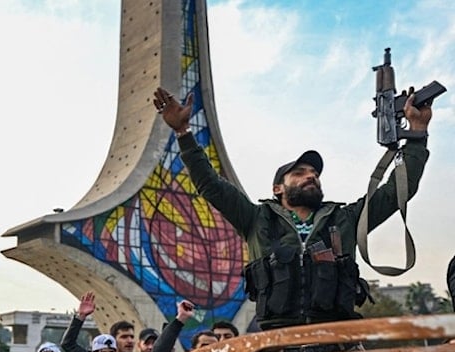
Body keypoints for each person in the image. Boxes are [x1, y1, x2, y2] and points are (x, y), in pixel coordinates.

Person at [153, 86, 433, 331]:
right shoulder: (255, 219)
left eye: (314, 172)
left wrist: (417, 133)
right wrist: (183, 133)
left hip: (335, 339)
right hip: (278, 339)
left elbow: (398, 190)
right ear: (278, 188)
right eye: (299, 172)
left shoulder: (346, 219)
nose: (311, 176)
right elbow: (210, 184)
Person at [61, 292, 155, 352]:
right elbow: (68, 344)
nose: (129, 341)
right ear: (113, 340)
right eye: (124, 337)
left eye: (131, 337)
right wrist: (80, 316)